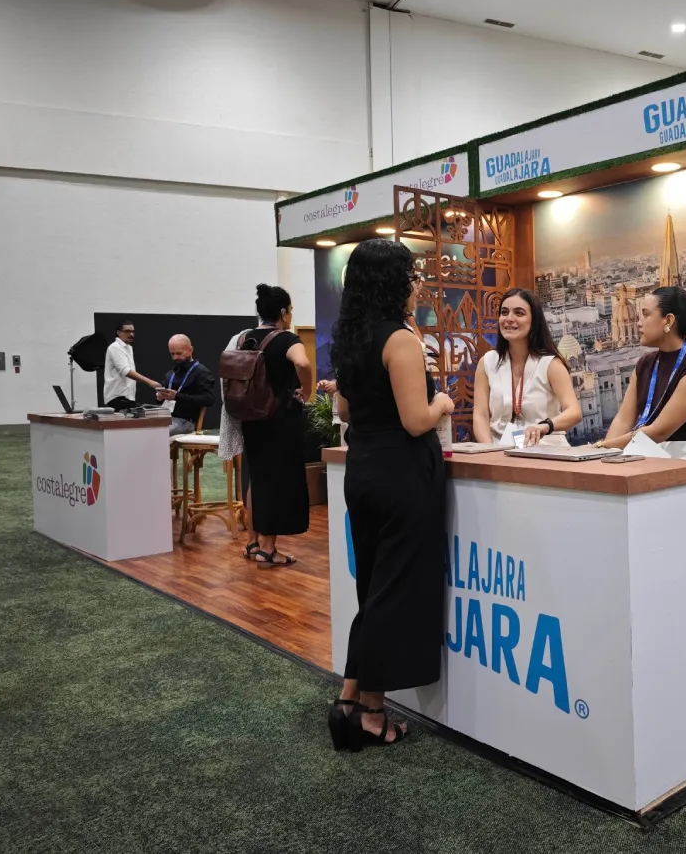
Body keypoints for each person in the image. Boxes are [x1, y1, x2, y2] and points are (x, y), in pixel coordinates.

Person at [327, 239, 453, 751]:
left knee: (374, 588)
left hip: (364, 471)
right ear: (393, 282)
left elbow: (343, 410)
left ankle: (351, 699)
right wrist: (441, 399)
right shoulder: (398, 339)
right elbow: (415, 418)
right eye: (411, 275)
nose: (417, 283)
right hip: (403, 475)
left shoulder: (353, 337)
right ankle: (370, 712)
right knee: (392, 593)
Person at [599, 286, 686, 500]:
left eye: (645, 314)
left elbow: (660, 431)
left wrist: (600, 446)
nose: (638, 323)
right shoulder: (645, 364)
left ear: (668, 321)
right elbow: (624, 418)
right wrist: (604, 456)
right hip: (655, 456)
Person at [238, 284, 313, 567]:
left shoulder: (245, 337)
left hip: (250, 417)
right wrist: (306, 390)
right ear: (283, 313)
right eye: (290, 310)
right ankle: (269, 550)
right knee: (277, 481)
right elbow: (303, 364)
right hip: (279, 420)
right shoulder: (286, 340)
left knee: (257, 478)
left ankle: (253, 542)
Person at [473, 288, 582, 447]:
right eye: (504, 312)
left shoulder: (551, 364)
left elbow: (574, 412)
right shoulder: (487, 362)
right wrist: (489, 453)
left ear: (534, 322)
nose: (509, 319)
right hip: (500, 453)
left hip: (546, 451)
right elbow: (480, 415)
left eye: (519, 313)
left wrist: (545, 426)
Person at [218, 328, 256, 559]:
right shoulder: (279, 340)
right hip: (262, 417)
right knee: (260, 480)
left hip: (239, 413)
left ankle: (253, 541)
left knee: (253, 478)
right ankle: (264, 545)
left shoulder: (236, 340)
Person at [158, 334, 216, 436]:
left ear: (190, 350)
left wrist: (177, 396)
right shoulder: (171, 373)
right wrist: (159, 397)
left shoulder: (202, 372)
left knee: (158, 432)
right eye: (172, 354)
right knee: (142, 428)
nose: (175, 357)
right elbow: (163, 401)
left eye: (179, 353)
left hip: (186, 421)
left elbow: (208, 399)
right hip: (166, 417)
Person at [103, 320, 160, 410]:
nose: (131, 334)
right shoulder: (115, 347)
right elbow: (126, 371)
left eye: (133, 331)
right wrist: (149, 381)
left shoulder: (128, 348)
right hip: (117, 398)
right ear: (119, 333)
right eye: (127, 331)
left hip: (127, 398)